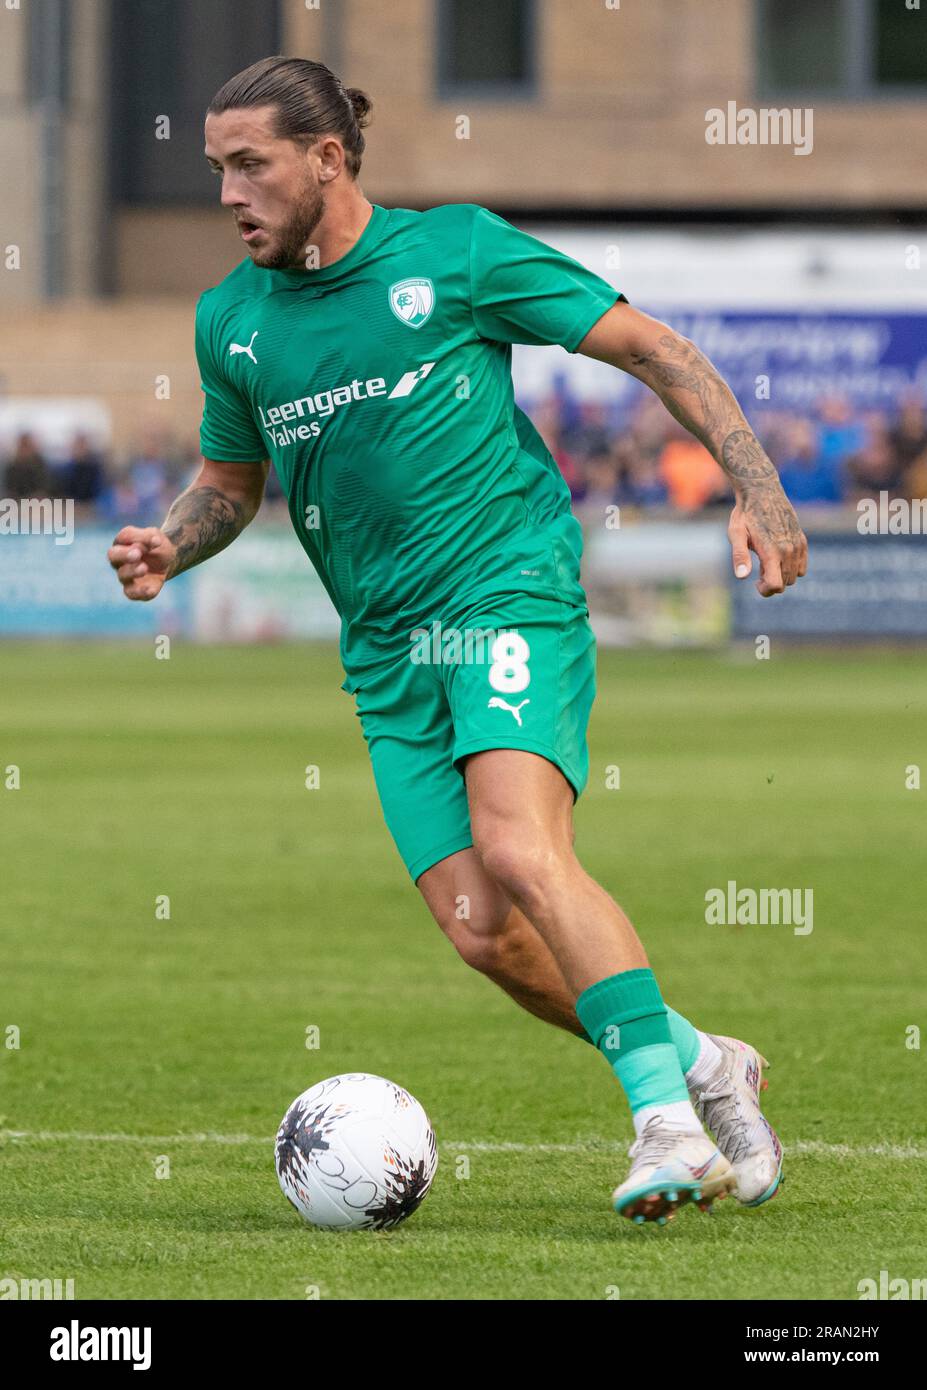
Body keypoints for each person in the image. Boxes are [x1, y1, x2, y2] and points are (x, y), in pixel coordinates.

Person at [107, 56, 807, 1225]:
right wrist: (176, 544)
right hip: (386, 653)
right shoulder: (229, 318)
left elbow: (649, 347)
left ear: (327, 159)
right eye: (217, 168)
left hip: (503, 592)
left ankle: (664, 1125)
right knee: (485, 932)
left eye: (250, 164)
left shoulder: (459, 254)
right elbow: (230, 480)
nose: (229, 192)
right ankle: (697, 1057)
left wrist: (759, 489)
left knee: (524, 851)